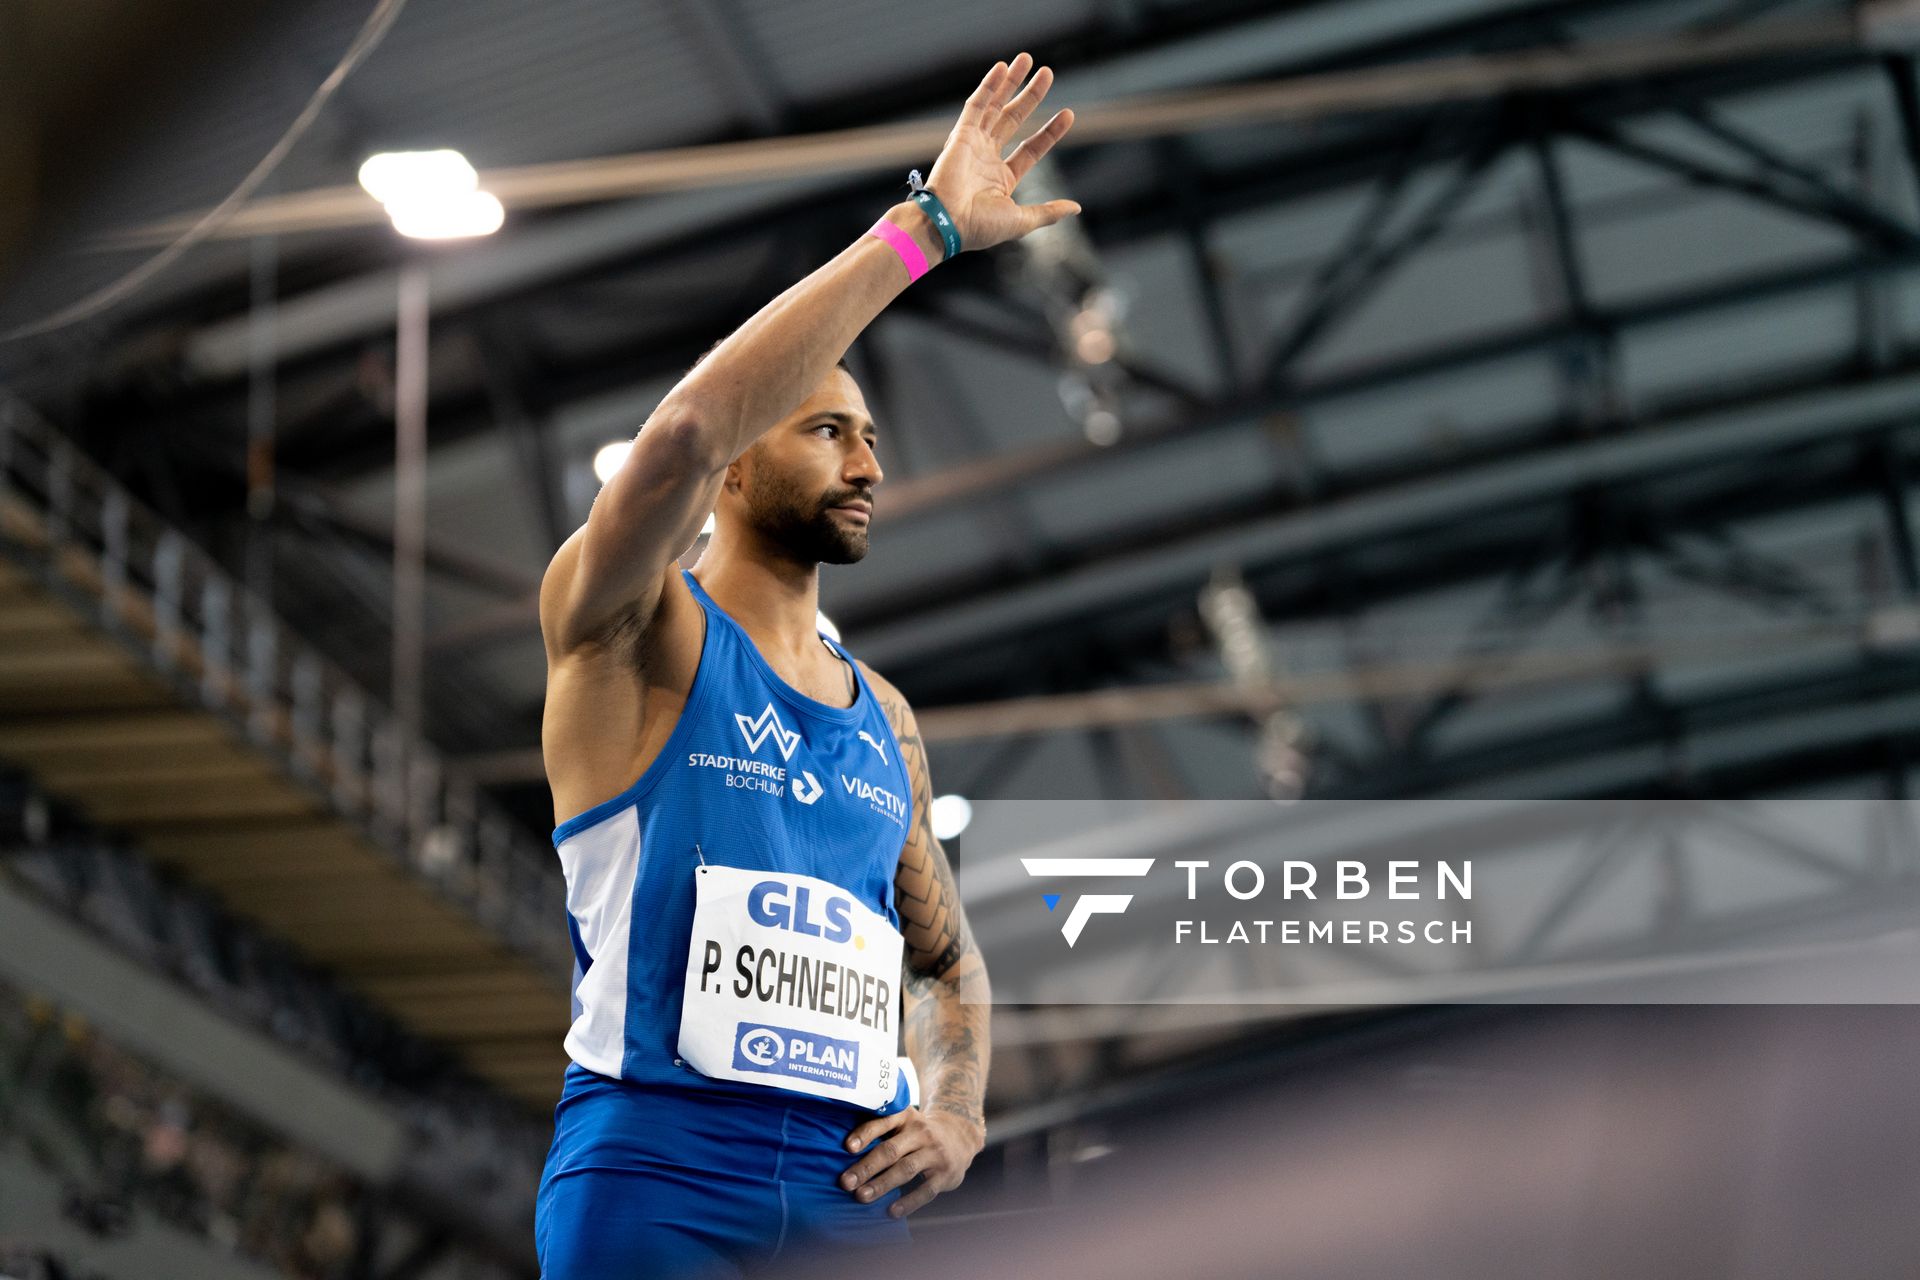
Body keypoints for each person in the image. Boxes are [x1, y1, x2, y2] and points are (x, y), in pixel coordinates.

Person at [532, 53, 1081, 1279]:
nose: (868, 465)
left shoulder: (884, 716)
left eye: (873, 439)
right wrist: (924, 231)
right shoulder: (632, 627)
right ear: (735, 470)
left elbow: (942, 958)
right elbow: (681, 431)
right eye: (827, 429)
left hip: (851, 1200)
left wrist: (958, 1110)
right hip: (655, 1173)